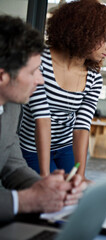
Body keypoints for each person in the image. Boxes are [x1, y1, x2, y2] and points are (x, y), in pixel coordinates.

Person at [19, 0, 106, 178]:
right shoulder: (38, 61)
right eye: (104, 38)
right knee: (53, 192)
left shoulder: (94, 78)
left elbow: (82, 127)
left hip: (65, 146)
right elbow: (42, 118)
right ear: (83, 31)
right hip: (34, 147)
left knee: (73, 191)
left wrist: (80, 176)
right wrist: (45, 176)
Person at [0, 15, 86, 223]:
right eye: (33, 72)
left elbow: (13, 166)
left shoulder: (10, 108)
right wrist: (24, 200)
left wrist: (47, 187)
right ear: (2, 76)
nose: (41, 80)